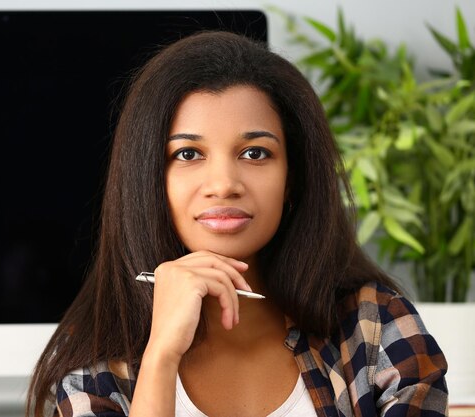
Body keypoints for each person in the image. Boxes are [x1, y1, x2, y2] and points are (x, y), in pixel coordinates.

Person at [26, 30, 448, 417]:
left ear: (292, 178)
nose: (224, 185)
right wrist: (160, 357)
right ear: (149, 178)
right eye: (188, 155)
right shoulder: (96, 358)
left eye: (255, 153)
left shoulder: (375, 324)